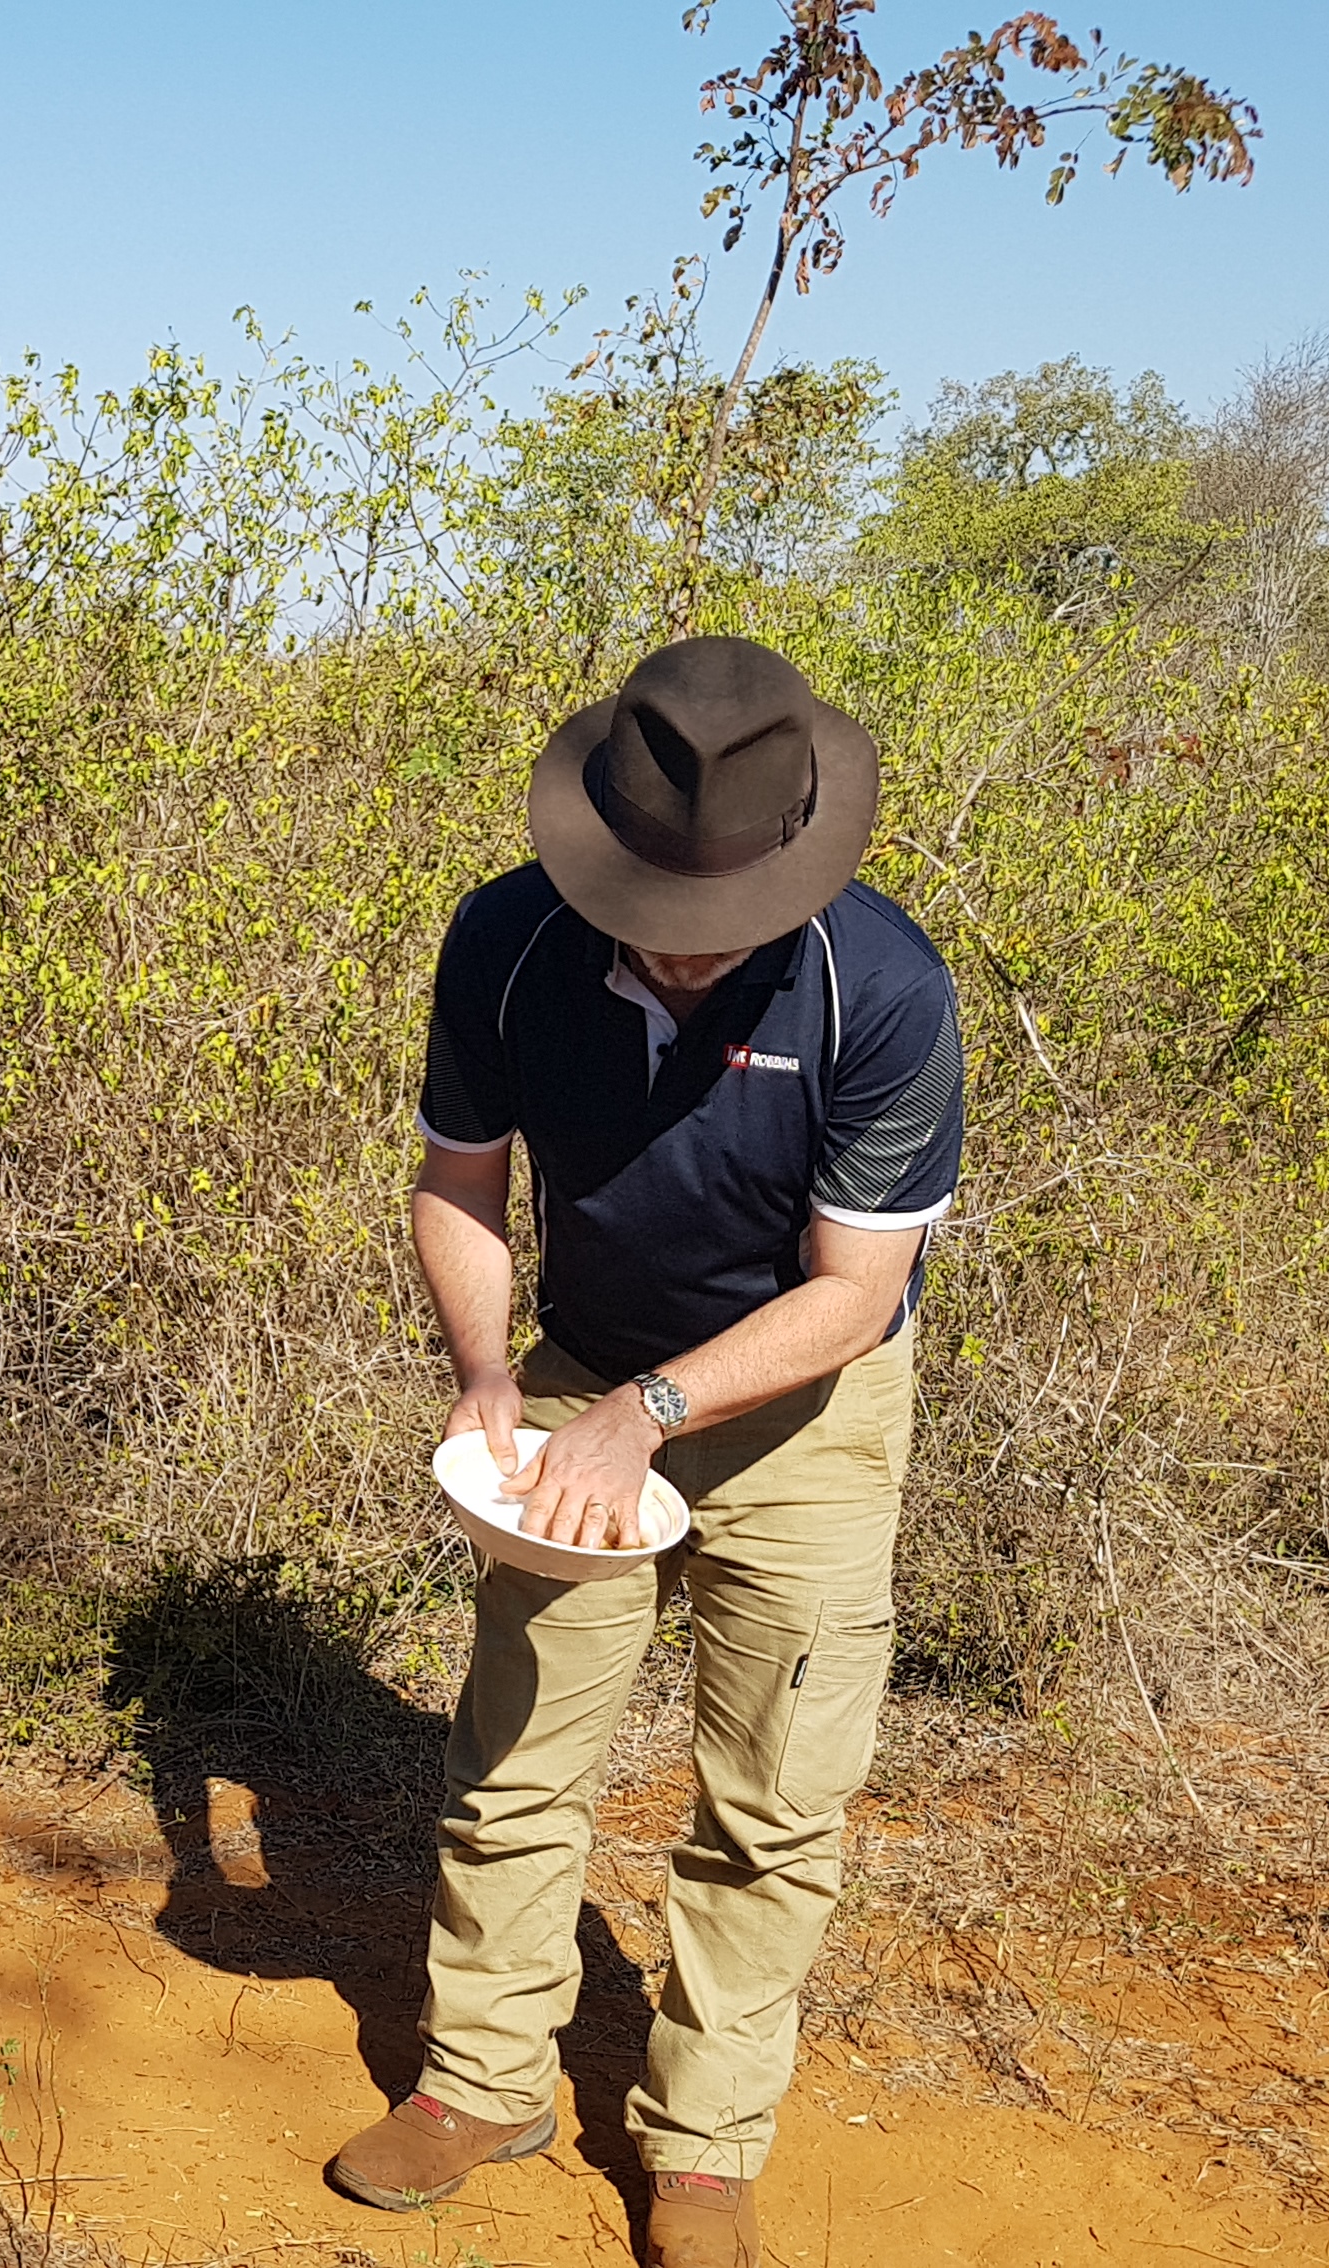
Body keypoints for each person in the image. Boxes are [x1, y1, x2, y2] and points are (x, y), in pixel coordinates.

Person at [323, 638, 965, 2268]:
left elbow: (851, 1295)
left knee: (771, 1794)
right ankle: (479, 2076)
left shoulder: (879, 990)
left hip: (802, 1413)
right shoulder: (506, 942)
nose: (683, 954)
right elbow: (460, 1177)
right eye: (654, 912)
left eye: (719, 921)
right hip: (579, 1370)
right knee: (517, 1745)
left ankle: (701, 2139)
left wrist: (647, 1413)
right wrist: (490, 1378)